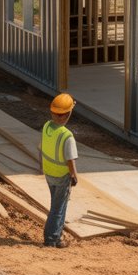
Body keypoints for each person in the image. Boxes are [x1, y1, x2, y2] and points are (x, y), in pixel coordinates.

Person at [40, 92, 79, 247]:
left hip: (49, 173)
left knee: (56, 206)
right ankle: (52, 239)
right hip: (62, 176)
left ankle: (57, 236)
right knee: (58, 208)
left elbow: (41, 147)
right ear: (68, 114)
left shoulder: (47, 127)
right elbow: (70, 160)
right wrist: (74, 176)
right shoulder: (67, 136)